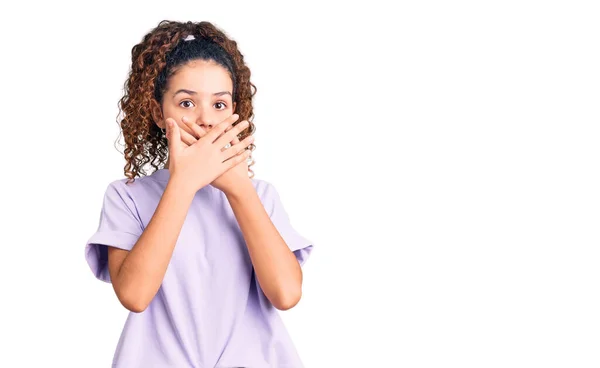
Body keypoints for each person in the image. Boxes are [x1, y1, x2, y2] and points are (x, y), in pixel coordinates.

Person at [84, 20, 315, 368]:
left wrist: (238, 190)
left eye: (219, 105)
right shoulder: (127, 197)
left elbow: (285, 294)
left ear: (235, 113)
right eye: (187, 103)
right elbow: (134, 295)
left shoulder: (260, 195)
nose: (206, 119)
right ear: (158, 113)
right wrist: (183, 182)